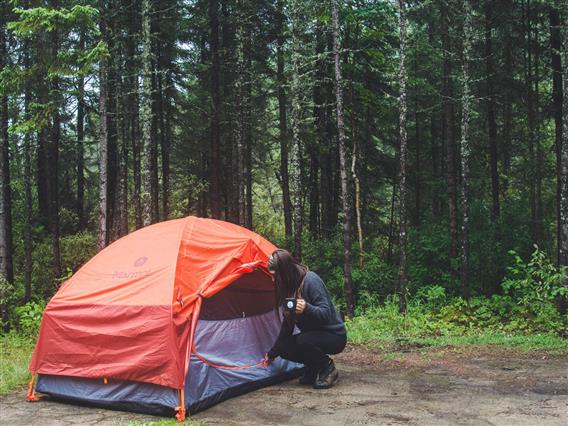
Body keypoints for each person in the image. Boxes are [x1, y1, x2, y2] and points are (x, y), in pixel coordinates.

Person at [263, 249, 347, 389]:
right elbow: (287, 326)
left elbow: (326, 314)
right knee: (284, 348)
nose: (273, 279)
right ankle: (314, 367)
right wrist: (273, 352)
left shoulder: (310, 280)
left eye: (275, 275)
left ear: (284, 272)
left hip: (334, 336)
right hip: (313, 336)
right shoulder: (289, 288)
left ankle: (327, 368)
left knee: (303, 340)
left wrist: (307, 308)